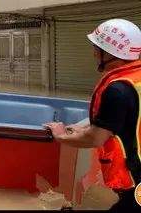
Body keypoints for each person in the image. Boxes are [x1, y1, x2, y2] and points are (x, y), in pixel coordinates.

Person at [45, 19, 141, 212]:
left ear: (111, 53)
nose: (94, 54)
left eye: (97, 48)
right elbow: (125, 119)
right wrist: (82, 127)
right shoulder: (135, 79)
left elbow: (96, 138)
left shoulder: (118, 91)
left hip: (136, 178)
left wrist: (60, 135)